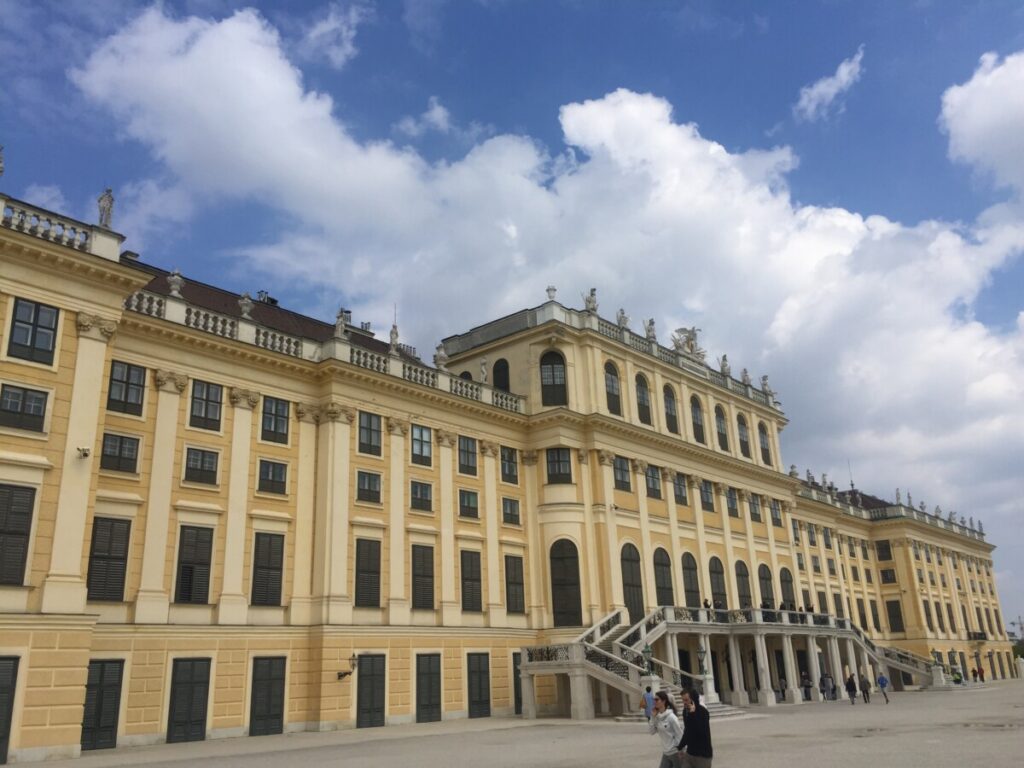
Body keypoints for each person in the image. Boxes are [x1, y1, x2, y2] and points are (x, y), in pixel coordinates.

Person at [677, 688, 713, 768]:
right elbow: (687, 731)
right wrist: (680, 746)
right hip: (690, 753)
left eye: (686, 700)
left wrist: (693, 715)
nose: (684, 703)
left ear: (693, 699)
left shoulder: (703, 711)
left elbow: (701, 731)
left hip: (703, 755)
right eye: (683, 700)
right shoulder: (685, 711)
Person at [648, 690, 684, 768]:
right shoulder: (657, 717)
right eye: (654, 699)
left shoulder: (671, 717)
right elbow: (651, 732)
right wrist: (652, 717)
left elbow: (680, 735)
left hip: (675, 752)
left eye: (657, 699)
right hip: (666, 752)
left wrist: (681, 751)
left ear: (663, 701)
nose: (654, 701)